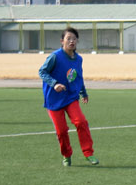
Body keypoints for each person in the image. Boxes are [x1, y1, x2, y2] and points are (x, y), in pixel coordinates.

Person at [39, 27, 98, 167]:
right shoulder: (55, 56)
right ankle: (67, 154)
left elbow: (78, 77)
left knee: (81, 122)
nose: (71, 41)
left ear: (77, 41)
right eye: (68, 39)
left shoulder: (78, 59)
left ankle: (88, 153)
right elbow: (42, 71)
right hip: (53, 100)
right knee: (61, 131)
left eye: (74, 39)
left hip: (70, 97)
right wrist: (54, 84)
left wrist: (83, 92)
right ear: (62, 41)